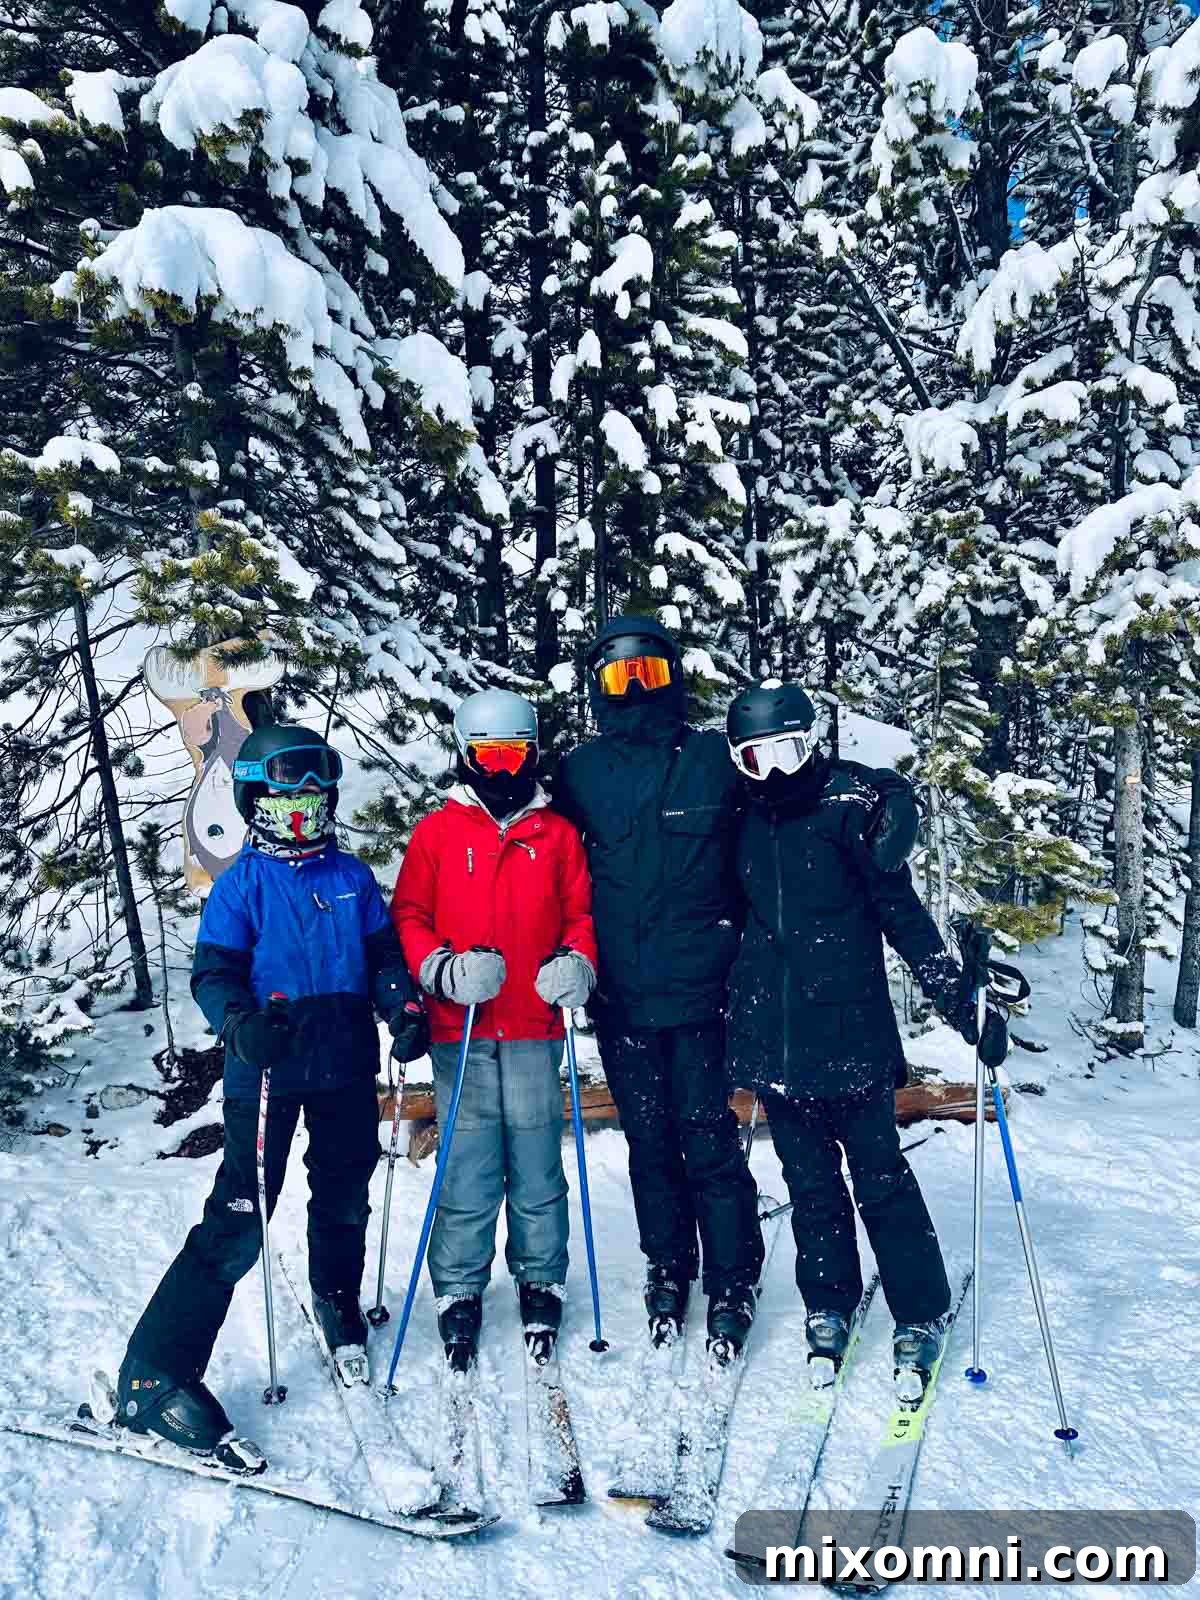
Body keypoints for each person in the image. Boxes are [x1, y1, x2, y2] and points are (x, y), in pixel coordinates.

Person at [110, 725, 429, 1467]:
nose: (302, 810)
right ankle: (155, 1371)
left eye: (314, 796)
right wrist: (239, 1024)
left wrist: (402, 1008)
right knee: (239, 1219)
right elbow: (212, 973)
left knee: (346, 1196)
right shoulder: (241, 885)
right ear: (256, 801)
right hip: (268, 1073)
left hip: (348, 1063)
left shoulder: (351, 876)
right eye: (286, 797)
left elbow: (383, 956)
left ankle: (337, 1301)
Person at [723, 682, 1004, 1395]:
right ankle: (828, 1303)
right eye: (758, 760)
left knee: (880, 1181)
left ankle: (918, 1310)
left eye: (789, 752)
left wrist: (963, 1005)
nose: (777, 774)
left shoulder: (848, 811)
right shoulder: (738, 819)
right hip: (775, 1043)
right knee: (810, 1186)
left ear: (810, 743)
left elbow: (904, 918)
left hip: (850, 1038)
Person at [554, 615, 766, 1358]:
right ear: (596, 688)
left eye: (648, 672)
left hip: (706, 990)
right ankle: (668, 1262)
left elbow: (788, 795)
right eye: (620, 677)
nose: (636, 689)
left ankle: (735, 1274)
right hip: (622, 996)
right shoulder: (579, 770)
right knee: (648, 1140)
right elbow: (537, 851)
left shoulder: (712, 757)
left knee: (707, 1136)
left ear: (674, 676)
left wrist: (876, 799)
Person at [391, 689, 597, 1369]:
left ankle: (541, 1277)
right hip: (463, 1030)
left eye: (514, 753)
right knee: (470, 1169)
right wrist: (441, 971)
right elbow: (409, 917)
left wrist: (576, 963)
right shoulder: (438, 832)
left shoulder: (556, 834)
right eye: (489, 755)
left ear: (533, 753)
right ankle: (458, 1287)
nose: (503, 769)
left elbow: (580, 915)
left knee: (538, 1166)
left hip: (533, 1025)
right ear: (465, 753)